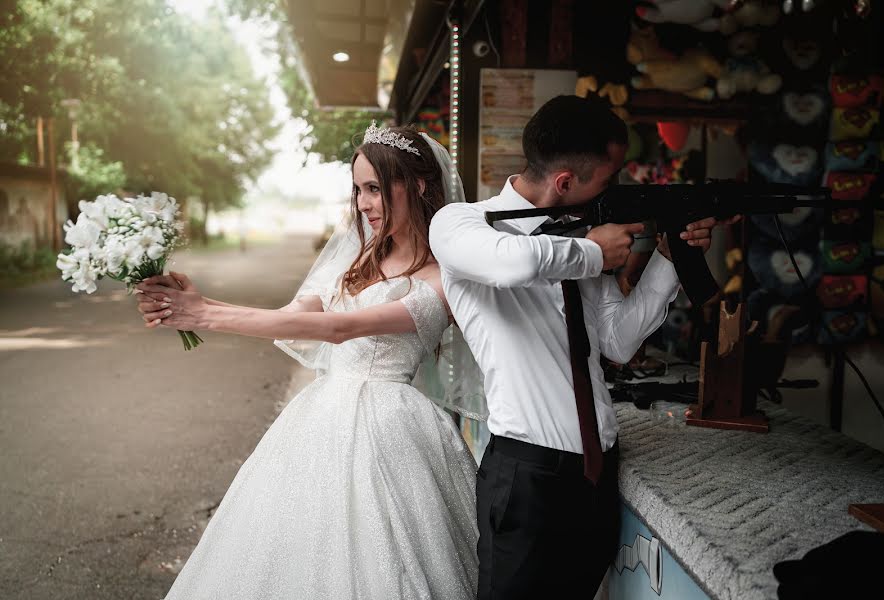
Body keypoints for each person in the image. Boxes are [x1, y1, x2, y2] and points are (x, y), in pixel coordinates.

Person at [135, 124, 480, 599]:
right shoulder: (356, 259)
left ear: (418, 185)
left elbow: (339, 329)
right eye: (358, 190)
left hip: (392, 428)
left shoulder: (440, 278)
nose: (362, 203)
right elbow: (291, 317)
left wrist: (208, 315)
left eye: (375, 188)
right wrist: (201, 302)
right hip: (321, 418)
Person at [429, 95, 737, 600]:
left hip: (597, 476)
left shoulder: (577, 238)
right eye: (607, 179)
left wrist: (666, 258)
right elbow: (513, 265)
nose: (612, 191)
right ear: (565, 183)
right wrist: (593, 252)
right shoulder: (464, 223)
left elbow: (618, 340)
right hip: (528, 477)